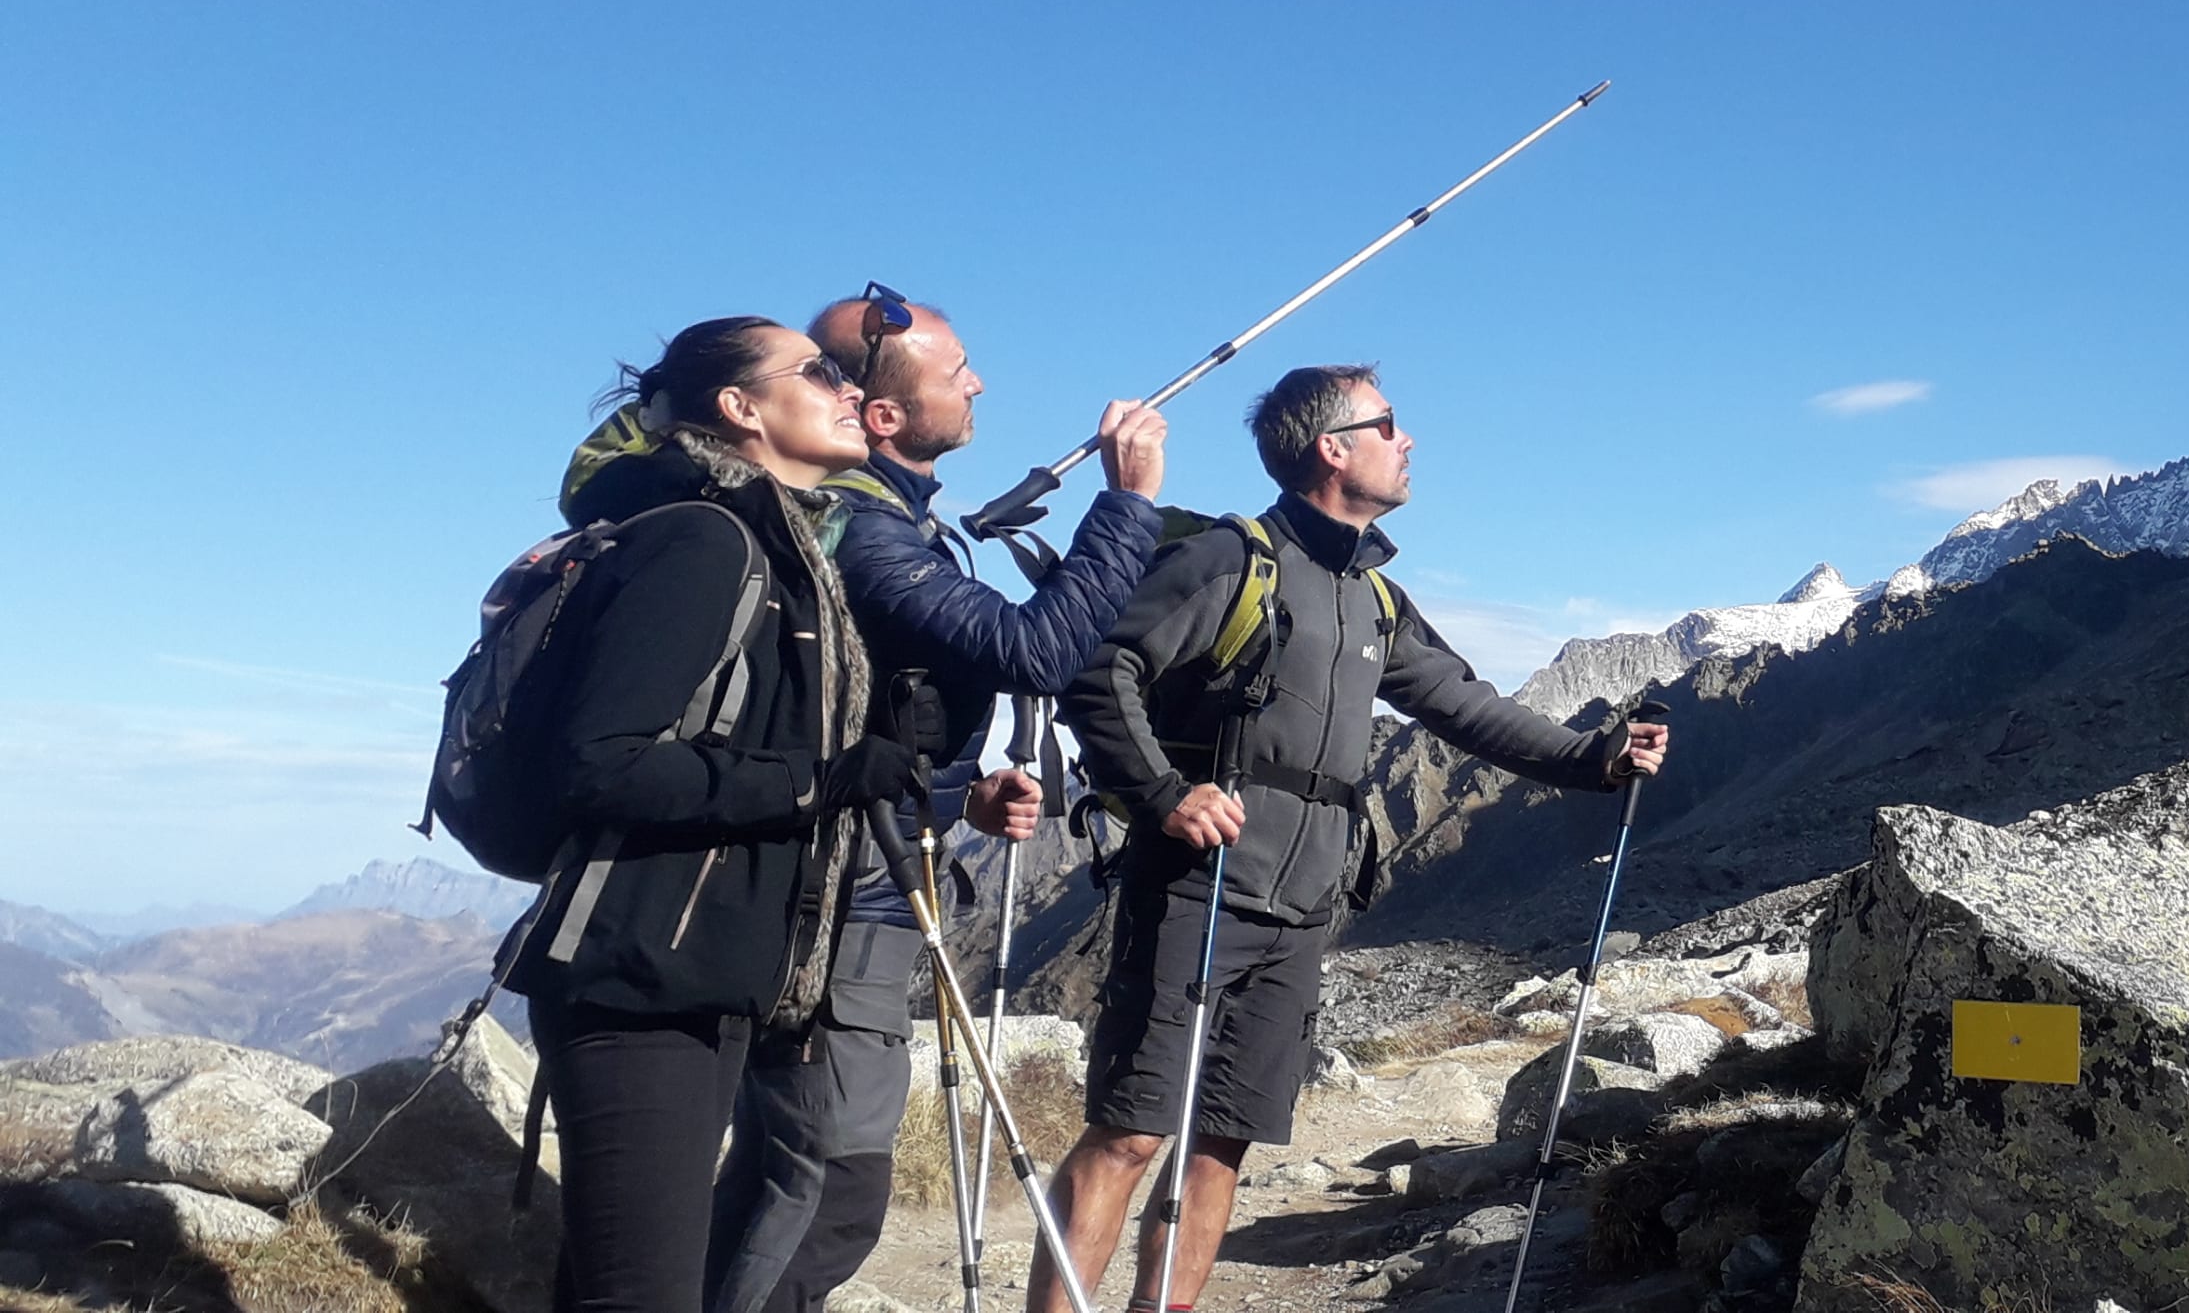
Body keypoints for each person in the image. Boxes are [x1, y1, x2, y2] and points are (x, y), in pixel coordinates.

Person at [1031, 365, 1668, 1313]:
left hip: (1304, 907)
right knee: (1131, 1132)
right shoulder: (1228, 561)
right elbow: (1097, 670)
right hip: (1197, 887)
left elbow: (1463, 704)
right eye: (1390, 425)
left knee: (1221, 1143)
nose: (1407, 442)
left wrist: (1595, 760)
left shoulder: (1373, 594)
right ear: (1333, 448)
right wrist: (1163, 794)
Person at [699, 287, 1175, 1313]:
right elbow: (1036, 650)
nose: (978, 384)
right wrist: (1128, 502)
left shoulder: (889, 525)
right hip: (838, 906)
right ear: (883, 417)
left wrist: (962, 790)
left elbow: (873, 709)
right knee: (828, 1188)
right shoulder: (866, 535)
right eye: (956, 373)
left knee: (785, 1177)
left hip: (859, 876)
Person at [514, 317, 925, 1313]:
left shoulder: (777, 547)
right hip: (634, 983)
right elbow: (602, 766)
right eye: (819, 371)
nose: (847, 387)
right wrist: (817, 779)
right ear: (740, 409)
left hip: (698, 975)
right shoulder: (703, 540)